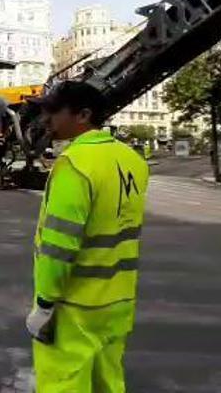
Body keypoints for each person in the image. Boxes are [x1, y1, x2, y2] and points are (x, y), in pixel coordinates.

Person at [26, 81, 150, 393]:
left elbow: (58, 246)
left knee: (63, 384)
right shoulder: (133, 161)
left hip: (75, 305)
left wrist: (44, 304)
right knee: (107, 382)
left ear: (83, 115)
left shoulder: (75, 165)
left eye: (55, 110)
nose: (47, 118)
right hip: (119, 299)